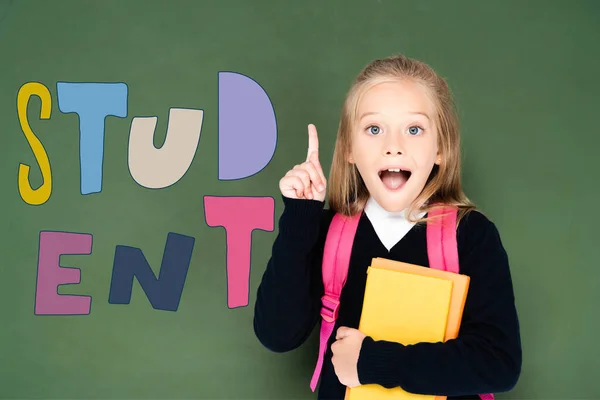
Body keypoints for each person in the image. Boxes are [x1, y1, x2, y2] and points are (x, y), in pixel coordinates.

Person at [253, 54, 522, 400]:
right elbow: (276, 335)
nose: (393, 147)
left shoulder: (471, 236)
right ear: (349, 149)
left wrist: (371, 362)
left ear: (440, 148)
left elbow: (499, 364)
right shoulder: (324, 232)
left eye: (413, 129)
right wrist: (300, 216)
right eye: (374, 129)